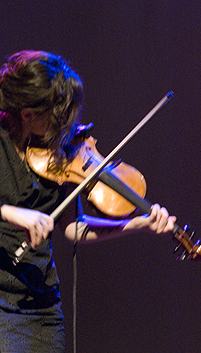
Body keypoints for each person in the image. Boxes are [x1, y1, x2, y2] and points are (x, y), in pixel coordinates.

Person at [0, 50, 177, 352]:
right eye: (59, 119)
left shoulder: (61, 154)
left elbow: (73, 228)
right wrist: (10, 212)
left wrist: (134, 224)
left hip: (40, 304)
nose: (68, 129)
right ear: (28, 115)